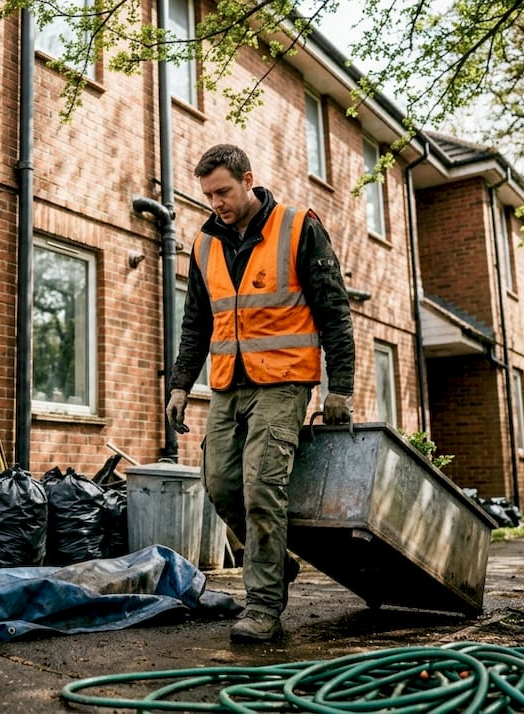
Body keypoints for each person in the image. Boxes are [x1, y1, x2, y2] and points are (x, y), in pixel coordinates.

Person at [167, 143, 355, 642]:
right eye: (207, 195)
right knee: (220, 482)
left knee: (261, 487)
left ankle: (264, 607)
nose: (216, 203)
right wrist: (181, 384)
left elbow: (335, 312)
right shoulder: (204, 244)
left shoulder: (298, 227)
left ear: (248, 180)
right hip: (229, 382)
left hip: (285, 380)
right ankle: (276, 563)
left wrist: (341, 388)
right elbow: (195, 324)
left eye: (224, 191)